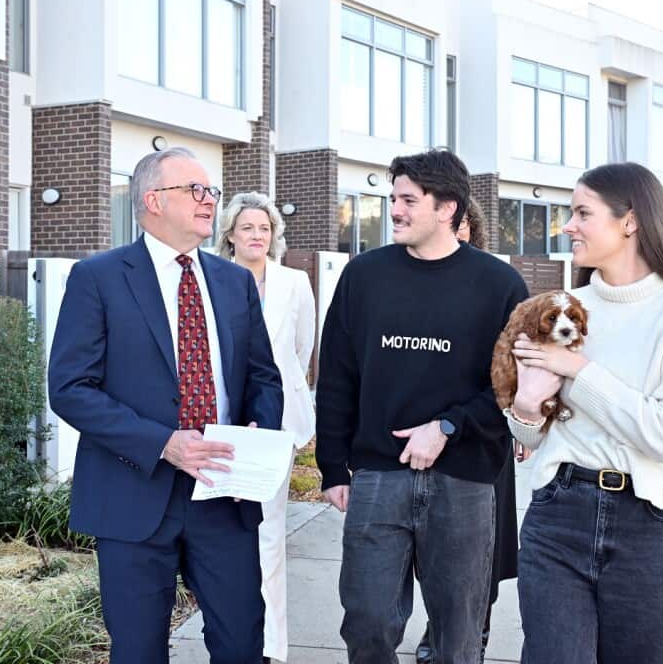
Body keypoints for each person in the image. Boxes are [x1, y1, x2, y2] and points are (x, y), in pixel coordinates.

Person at [48, 147, 283, 664]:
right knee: (137, 652)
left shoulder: (233, 281)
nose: (209, 201)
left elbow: (264, 378)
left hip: (224, 494)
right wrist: (163, 444)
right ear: (153, 201)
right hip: (132, 494)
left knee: (243, 644)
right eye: (194, 190)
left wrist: (255, 440)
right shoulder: (99, 278)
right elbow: (69, 387)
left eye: (211, 192)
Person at [506, 162, 663, 664]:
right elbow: (533, 431)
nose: (568, 226)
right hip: (557, 514)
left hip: (646, 525)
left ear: (629, 220)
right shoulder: (564, 307)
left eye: (581, 213)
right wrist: (524, 408)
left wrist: (577, 369)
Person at [315, 149, 529, 664]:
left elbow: (513, 382)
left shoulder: (498, 284)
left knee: (458, 634)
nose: (395, 210)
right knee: (366, 622)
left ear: (448, 207)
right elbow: (338, 376)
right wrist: (332, 467)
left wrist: (449, 427)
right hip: (377, 475)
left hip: (465, 480)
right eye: (393, 199)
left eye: (409, 200)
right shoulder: (362, 277)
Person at [416, 195, 521, 664]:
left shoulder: (493, 286)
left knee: (485, 554)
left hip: (484, 441)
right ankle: (439, 628)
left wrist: (519, 424)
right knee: (437, 554)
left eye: (459, 235)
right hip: (427, 442)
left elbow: (513, 370)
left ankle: (474, 632)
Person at [215, 192, 317, 664]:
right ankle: (238, 636)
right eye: (248, 227)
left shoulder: (295, 283)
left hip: (277, 426)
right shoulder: (213, 279)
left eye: (264, 228)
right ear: (230, 234)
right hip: (220, 424)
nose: (257, 236)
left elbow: (300, 352)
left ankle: (272, 648)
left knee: (270, 532)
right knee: (230, 539)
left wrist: (275, 406)